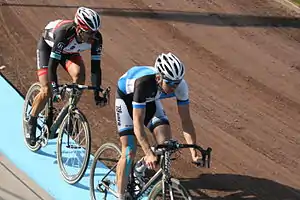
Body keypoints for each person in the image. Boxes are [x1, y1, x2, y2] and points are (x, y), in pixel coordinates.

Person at [114, 52, 201, 199]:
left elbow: (186, 120)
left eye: (177, 83)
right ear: (159, 78)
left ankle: (139, 169)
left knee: (165, 145)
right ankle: (120, 195)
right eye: (171, 83)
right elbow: (138, 126)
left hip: (150, 100)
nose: (174, 87)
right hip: (127, 99)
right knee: (129, 151)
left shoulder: (180, 86)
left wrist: (194, 152)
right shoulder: (144, 84)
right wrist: (148, 152)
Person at [25, 7, 107, 146]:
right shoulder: (64, 33)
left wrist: (97, 92)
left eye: (95, 32)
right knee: (47, 90)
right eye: (90, 33)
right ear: (79, 29)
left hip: (69, 51)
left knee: (80, 76)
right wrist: (55, 88)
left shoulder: (96, 38)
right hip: (49, 48)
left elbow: (95, 68)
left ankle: (70, 112)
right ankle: (31, 122)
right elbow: (52, 66)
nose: (93, 37)